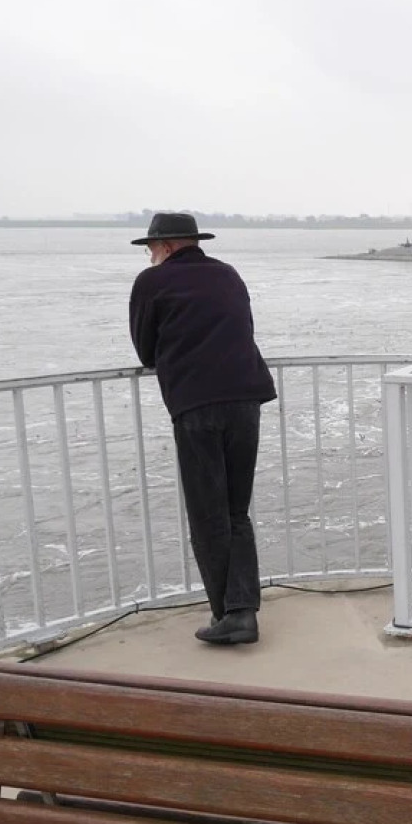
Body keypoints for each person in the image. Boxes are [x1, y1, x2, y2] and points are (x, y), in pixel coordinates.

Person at [129, 212, 276, 645]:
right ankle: (242, 610)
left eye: (151, 248)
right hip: (246, 396)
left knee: (207, 513)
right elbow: (243, 328)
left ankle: (229, 615)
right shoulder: (228, 274)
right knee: (235, 511)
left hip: (197, 403)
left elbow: (145, 350)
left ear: (168, 246)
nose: (150, 255)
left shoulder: (150, 283)